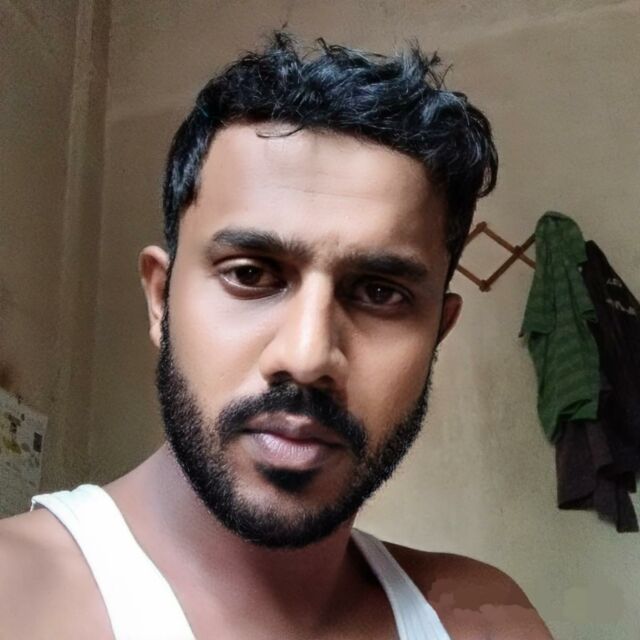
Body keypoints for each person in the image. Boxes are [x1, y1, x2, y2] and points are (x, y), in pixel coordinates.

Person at [0, 33, 552, 639]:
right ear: (160, 299)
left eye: (379, 293)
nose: (307, 356)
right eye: (250, 275)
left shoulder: (484, 619)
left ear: (438, 334)